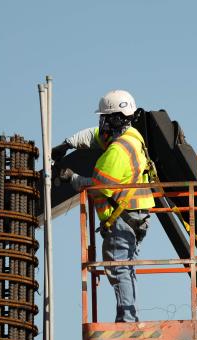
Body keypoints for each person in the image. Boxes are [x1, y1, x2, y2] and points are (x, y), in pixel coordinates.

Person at [57, 90, 155, 322]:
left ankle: (128, 321)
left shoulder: (117, 150)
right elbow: (93, 136)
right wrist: (68, 143)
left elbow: (100, 186)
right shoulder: (132, 137)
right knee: (125, 267)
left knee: (118, 267)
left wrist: (72, 178)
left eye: (104, 118)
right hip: (136, 216)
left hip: (123, 218)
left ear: (114, 119)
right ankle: (129, 316)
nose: (101, 123)